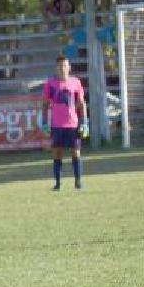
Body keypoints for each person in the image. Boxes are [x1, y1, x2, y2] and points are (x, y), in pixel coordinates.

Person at [41, 55, 88, 191]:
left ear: (69, 67)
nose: (62, 68)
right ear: (56, 68)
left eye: (65, 66)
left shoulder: (76, 82)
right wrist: (44, 123)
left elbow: (81, 104)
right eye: (60, 66)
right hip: (56, 125)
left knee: (76, 152)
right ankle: (58, 183)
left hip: (72, 125)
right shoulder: (50, 84)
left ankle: (78, 181)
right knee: (57, 153)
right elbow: (45, 105)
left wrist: (84, 122)